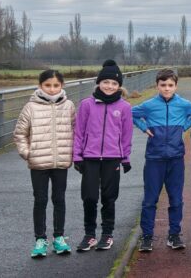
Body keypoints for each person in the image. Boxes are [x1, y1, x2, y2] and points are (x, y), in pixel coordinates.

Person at [132, 68, 191, 252]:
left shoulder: (184, 104)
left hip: (176, 159)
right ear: (157, 85)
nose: (167, 88)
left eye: (170, 85)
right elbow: (131, 113)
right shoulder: (149, 105)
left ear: (176, 86)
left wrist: (185, 125)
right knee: (150, 200)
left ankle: (174, 234)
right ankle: (146, 237)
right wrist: (144, 127)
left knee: (176, 199)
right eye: (163, 85)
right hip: (154, 159)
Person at [72, 60, 134, 252]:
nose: (110, 86)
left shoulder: (124, 107)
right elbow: (79, 132)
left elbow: (126, 134)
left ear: (119, 86)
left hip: (112, 158)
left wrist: (125, 158)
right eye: (106, 82)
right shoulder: (86, 105)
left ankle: (107, 234)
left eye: (114, 83)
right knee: (89, 197)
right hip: (90, 158)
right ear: (98, 82)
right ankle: (89, 235)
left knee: (109, 197)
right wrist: (77, 156)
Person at [13, 69, 76, 258]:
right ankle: (40, 239)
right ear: (40, 86)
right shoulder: (30, 107)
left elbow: (76, 131)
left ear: (62, 86)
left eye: (56, 85)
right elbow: (19, 134)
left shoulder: (70, 106)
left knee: (59, 200)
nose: (51, 89)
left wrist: (73, 153)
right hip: (38, 163)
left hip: (61, 162)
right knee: (40, 200)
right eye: (47, 85)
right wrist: (27, 153)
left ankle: (59, 237)